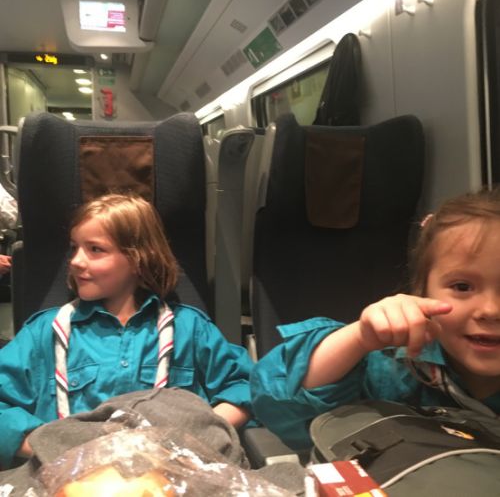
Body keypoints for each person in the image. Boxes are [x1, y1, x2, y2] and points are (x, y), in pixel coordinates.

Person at [0, 194, 254, 469]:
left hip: (175, 473)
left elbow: (243, 388)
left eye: (95, 249)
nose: (75, 261)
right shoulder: (45, 332)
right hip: (70, 475)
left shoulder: (188, 327)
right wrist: (55, 449)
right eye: (74, 248)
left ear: (138, 259)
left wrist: (192, 437)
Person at [251, 187, 500, 450]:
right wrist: (359, 338)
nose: (490, 310)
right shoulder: (396, 368)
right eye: (462, 287)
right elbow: (281, 408)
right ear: (423, 292)